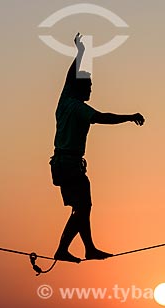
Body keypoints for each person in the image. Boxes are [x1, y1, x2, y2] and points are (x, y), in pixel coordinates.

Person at [49, 33, 144, 263]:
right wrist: (130, 116)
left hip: (62, 165)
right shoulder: (80, 109)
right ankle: (69, 249)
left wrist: (81, 53)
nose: (91, 88)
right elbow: (103, 117)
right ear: (81, 89)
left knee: (82, 207)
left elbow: (70, 77)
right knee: (83, 207)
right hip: (70, 166)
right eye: (89, 85)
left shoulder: (64, 101)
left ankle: (87, 248)